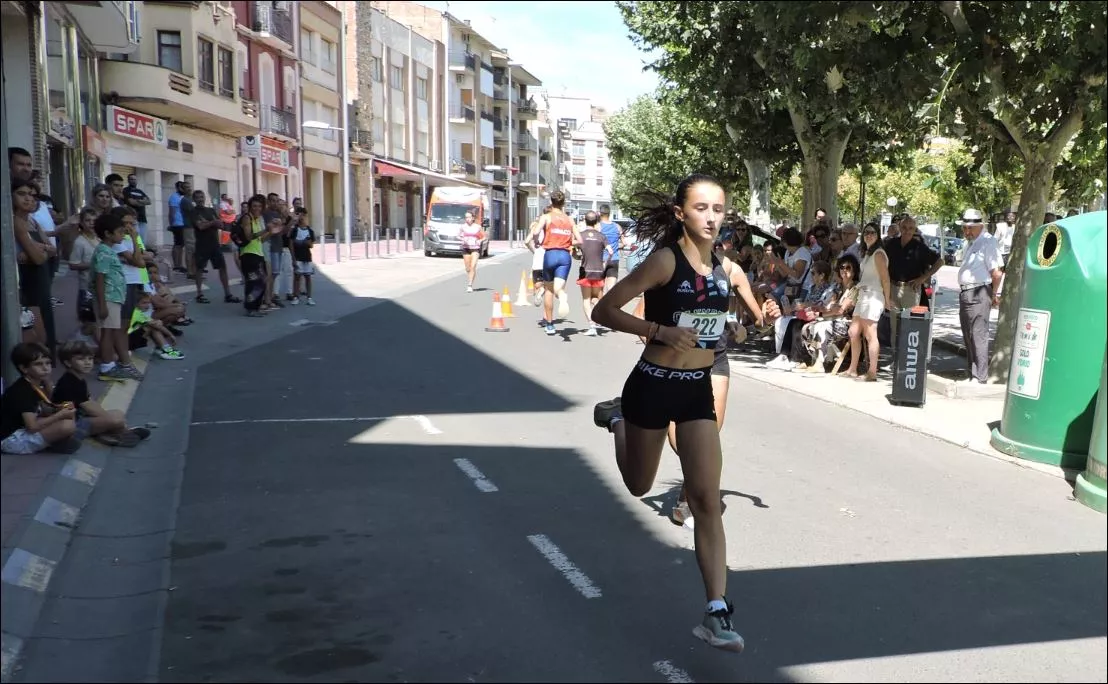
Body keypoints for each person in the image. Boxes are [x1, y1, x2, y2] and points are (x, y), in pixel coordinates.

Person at [590, 174, 779, 653]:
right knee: (639, 485)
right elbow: (604, 310)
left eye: (718, 208)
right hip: (652, 387)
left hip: (695, 389)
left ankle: (716, 610)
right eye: (701, 207)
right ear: (681, 213)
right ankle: (618, 420)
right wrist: (659, 330)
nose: (711, 216)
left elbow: (728, 331)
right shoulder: (664, 261)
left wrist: (759, 322)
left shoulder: (725, 268)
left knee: (707, 500)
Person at [52, 340, 151, 447]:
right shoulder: (69, 383)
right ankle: (119, 433)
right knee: (116, 420)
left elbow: (90, 401)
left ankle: (111, 432)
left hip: (81, 417)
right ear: (68, 363)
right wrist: (113, 422)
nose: (87, 362)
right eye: (81, 359)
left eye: (90, 358)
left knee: (118, 413)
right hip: (73, 424)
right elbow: (89, 408)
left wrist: (109, 419)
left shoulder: (78, 379)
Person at [0, 343, 79, 455]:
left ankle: (55, 440)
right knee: (66, 425)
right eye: (38, 364)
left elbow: (53, 402)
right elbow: (32, 427)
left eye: (48, 363)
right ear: (24, 368)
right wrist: (59, 415)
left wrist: (48, 382)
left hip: (21, 428)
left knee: (67, 409)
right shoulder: (22, 391)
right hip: (10, 439)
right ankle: (53, 442)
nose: (45, 368)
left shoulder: (35, 383)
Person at [956, 208, 1004, 384]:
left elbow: (996, 273)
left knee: (978, 335)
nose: (966, 231)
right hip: (967, 292)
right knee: (968, 335)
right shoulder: (971, 242)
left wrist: (994, 294)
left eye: (970, 228)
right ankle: (972, 373)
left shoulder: (987, 242)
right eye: (964, 228)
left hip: (980, 291)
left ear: (980, 226)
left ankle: (980, 376)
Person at [92, 211, 142, 381]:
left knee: (112, 331)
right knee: (108, 332)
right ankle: (107, 366)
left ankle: (109, 364)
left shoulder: (108, 250)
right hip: (109, 298)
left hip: (114, 297)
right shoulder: (104, 252)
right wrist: (103, 304)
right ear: (107, 233)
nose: (123, 235)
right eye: (120, 232)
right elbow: (100, 278)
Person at [844, 223, 891, 381]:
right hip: (863, 295)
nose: (869, 235)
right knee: (853, 332)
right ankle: (852, 368)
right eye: (866, 233)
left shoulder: (878, 254)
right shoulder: (868, 253)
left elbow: (885, 278)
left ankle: (872, 372)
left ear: (878, 235)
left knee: (870, 334)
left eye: (872, 232)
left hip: (873, 295)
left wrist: (887, 299)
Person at [529, 190, 574, 334]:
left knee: (548, 290)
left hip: (550, 254)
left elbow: (535, 233)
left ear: (551, 202)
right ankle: (561, 295)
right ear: (563, 203)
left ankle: (549, 325)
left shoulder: (546, 217)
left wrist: (538, 242)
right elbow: (580, 240)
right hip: (565, 256)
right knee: (558, 288)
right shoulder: (569, 219)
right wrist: (570, 242)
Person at [190, 189, 240, 304]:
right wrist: (212, 223)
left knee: (222, 267)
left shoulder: (211, 210)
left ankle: (228, 294)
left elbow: (220, 224)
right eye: (197, 197)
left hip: (214, 244)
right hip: (202, 244)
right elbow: (200, 226)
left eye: (201, 197)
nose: (200, 199)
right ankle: (199, 294)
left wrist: (208, 223)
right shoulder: (193, 212)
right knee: (200, 269)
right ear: (194, 199)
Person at [575, 211, 613, 337]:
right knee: (596, 298)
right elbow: (611, 252)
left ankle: (592, 325)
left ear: (585, 221)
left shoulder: (580, 236)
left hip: (585, 271)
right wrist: (604, 264)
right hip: (598, 271)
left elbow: (574, 250)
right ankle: (600, 317)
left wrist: (577, 254)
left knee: (586, 299)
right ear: (596, 221)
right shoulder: (602, 236)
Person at [129, 292, 185, 360]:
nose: (147, 305)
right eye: (144, 303)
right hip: (127, 342)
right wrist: (170, 335)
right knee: (153, 327)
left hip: (129, 339)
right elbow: (155, 325)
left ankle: (161, 347)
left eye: (148, 303)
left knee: (154, 324)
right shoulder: (136, 313)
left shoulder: (136, 311)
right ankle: (166, 350)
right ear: (135, 303)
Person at [291, 208, 317, 305]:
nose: (301, 218)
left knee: (308, 276)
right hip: (298, 256)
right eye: (299, 215)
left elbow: (311, 244)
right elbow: (291, 244)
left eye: (303, 215)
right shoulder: (295, 230)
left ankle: (309, 297)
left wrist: (307, 243)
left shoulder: (310, 230)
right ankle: (295, 296)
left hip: (307, 257)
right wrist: (293, 258)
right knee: (297, 276)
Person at [597, 204, 623, 295]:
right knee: (611, 289)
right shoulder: (617, 227)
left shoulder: (598, 227)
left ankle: (600, 307)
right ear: (609, 213)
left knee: (599, 288)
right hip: (614, 259)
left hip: (601, 259)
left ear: (600, 213)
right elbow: (623, 243)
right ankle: (608, 306)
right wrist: (615, 246)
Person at [528, 206, 550, 306]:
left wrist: (535, 250)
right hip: (549, 258)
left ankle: (540, 290)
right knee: (550, 285)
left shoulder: (536, 227)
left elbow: (527, 241)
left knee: (537, 284)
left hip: (538, 259)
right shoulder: (553, 227)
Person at [460, 210, 484, 293]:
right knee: (468, 268)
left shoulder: (477, 227)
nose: (467, 219)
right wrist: (462, 239)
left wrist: (480, 241)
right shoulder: (463, 227)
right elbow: (457, 235)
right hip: (466, 248)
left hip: (475, 248)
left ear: (473, 218)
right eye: (466, 217)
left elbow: (484, 236)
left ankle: (470, 285)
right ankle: (470, 276)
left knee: (473, 266)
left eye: (469, 217)